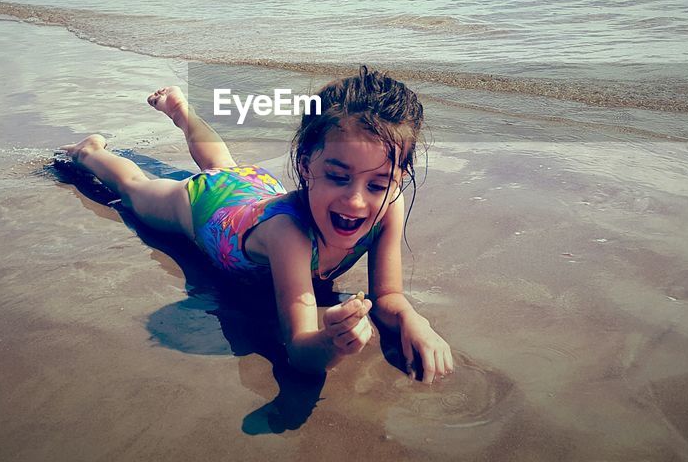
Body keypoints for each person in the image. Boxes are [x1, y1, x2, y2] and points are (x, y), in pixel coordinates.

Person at [60, 66, 453, 382]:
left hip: (254, 190)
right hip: (206, 207)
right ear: (305, 166)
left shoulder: (389, 206)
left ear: (399, 179)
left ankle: (182, 112)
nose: (355, 199)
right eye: (337, 176)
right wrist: (332, 344)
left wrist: (413, 320)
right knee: (135, 189)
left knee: (224, 165)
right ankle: (90, 153)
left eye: (379, 183)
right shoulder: (290, 235)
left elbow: (388, 297)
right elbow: (299, 347)